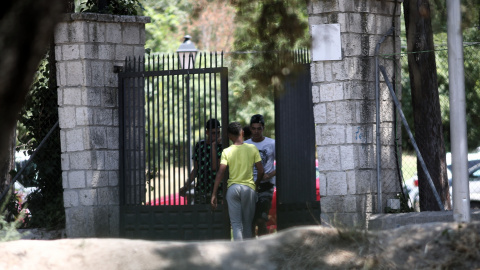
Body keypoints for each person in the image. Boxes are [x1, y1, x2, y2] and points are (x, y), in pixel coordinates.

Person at [211, 122, 264, 241]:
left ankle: (238, 254)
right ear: (243, 133)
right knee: (247, 225)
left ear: (229, 136)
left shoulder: (227, 151)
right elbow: (261, 171)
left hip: (233, 189)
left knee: (236, 225)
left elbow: (220, 172)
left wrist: (214, 194)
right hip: (248, 189)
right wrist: (256, 185)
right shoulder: (252, 148)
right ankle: (247, 255)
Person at [245, 114, 276, 236]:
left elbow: (282, 162)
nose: (256, 131)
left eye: (259, 128)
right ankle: (251, 249)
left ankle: (265, 248)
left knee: (261, 219)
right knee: (250, 221)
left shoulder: (272, 143)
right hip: (250, 186)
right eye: (254, 128)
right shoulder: (245, 145)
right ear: (250, 129)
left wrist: (270, 174)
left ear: (263, 128)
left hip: (266, 186)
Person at [180, 118, 222, 204]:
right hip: (202, 188)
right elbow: (196, 169)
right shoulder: (200, 145)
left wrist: (214, 146)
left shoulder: (221, 146)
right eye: (213, 133)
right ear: (207, 132)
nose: (217, 135)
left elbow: (217, 167)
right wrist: (186, 186)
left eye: (218, 133)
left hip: (218, 189)